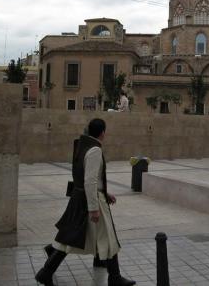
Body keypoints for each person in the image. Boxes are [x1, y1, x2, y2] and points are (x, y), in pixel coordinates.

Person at [35, 118, 136, 286]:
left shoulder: (82, 146)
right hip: (92, 201)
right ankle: (115, 278)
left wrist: (105, 192)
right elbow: (90, 181)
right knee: (108, 238)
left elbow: (86, 179)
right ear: (102, 132)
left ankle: (46, 272)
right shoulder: (95, 150)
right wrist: (94, 208)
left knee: (68, 240)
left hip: (82, 198)